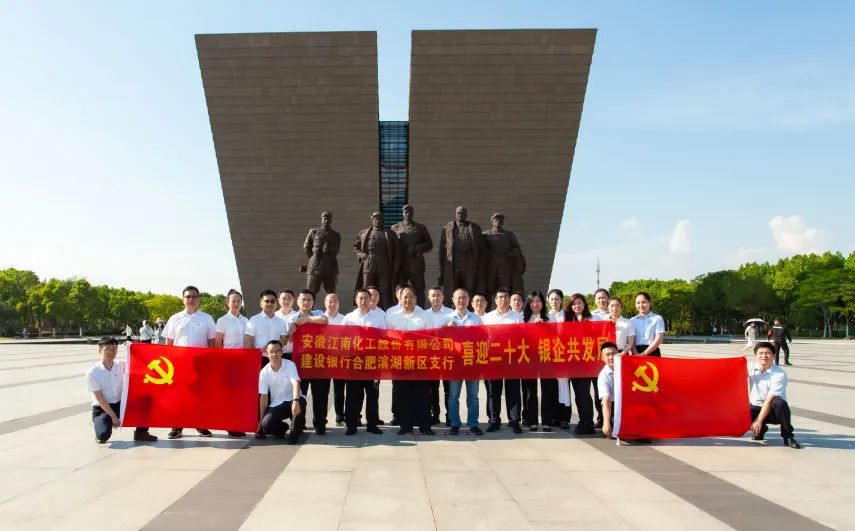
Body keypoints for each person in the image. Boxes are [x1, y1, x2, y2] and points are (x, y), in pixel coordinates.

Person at [162, 285, 217, 440]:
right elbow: (169, 342)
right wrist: (168, 362)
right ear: (183, 299)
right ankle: (177, 427)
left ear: (199, 299)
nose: (191, 299)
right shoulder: (175, 318)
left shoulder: (207, 318)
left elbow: (211, 342)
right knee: (179, 396)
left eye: (194, 296)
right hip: (179, 364)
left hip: (201, 364)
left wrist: (211, 361)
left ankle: (201, 424)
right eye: (188, 296)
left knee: (200, 396)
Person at [85, 337, 157, 443]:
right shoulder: (92, 373)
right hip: (102, 408)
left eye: (114, 348)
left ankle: (141, 433)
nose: (111, 352)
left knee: (145, 401)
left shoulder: (121, 365)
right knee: (103, 436)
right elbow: (100, 399)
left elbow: (139, 363)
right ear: (100, 349)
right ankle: (102, 426)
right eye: (108, 348)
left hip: (121, 404)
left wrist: (135, 347)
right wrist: (114, 417)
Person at [387, 287, 434, 435]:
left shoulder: (425, 315)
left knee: (422, 395)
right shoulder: (392, 317)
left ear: (416, 299)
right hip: (400, 363)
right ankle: (405, 426)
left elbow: (431, 337)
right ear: (400, 300)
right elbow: (387, 338)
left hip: (420, 363)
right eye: (405, 297)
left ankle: (424, 426)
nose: (408, 300)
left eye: (411, 297)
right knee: (402, 395)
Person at [284, 289, 329, 436]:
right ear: (297, 302)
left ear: (313, 302)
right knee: (300, 395)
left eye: (309, 299)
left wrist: (307, 320)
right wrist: (291, 332)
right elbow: (290, 340)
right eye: (303, 299)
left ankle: (320, 424)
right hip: (301, 363)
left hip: (319, 361)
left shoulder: (318, 313)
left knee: (321, 395)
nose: (306, 302)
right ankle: (299, 424)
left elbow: (325, 321)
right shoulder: (292, 318)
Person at [341, 289, 385, 436]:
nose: (363, 301)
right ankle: (351, 425)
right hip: (354, 363)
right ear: (355, 300)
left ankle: (372, 424)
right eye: (360, 298)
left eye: (366, 298)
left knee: (372, 394)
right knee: (353, 395)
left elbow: (384, 337)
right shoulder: (349, 318)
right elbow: (341, 339)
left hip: (373, 363)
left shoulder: (379, 317)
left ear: (370, 300)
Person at [482, 288, 524, 434]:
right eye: (500, 297)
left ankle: (514, 421)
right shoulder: (487, 318)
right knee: (494, 392)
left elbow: (522, 336)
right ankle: (494, 421)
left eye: (506, 297)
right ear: (495, 300)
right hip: (493, 359)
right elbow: (483, 337)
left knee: (513, 391)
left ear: (509, 299)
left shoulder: (517, 317)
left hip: (512, 358)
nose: (503, 299)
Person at [748, 342, 801, 449]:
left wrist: (759, 421)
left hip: (774, 411)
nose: (764, 356)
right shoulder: (750, 367)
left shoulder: (779, 374)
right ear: (756, 356)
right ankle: (761, 430)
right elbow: (731, 370)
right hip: (755, 408)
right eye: (760, 353)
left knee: (779, 403)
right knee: (741, 410)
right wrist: (738, 361)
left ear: (774, 356)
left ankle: (788, 436)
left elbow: (769, 400)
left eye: (767, 353)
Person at [445, 288, 484, 435]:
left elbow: (483, 339)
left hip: (471, 362)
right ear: (453, 300)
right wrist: (446, 328)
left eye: (464, 298)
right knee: (453, 396)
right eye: (458, 298)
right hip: (454, 363)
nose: (461, 300)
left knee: (473, 396)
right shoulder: (447, 318)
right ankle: (454, 423)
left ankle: (473, 423)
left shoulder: (476, 318)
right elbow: (439, 339)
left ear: (469, 300)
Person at [215, 289, 251, 437]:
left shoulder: (246, 320)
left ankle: (239, 423)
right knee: (230, 395)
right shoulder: (222, 320)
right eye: (233, 301)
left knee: (240, 394)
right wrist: (221, 359)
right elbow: (218, 341)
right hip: (229, 361)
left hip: (243, 361)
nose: (236, 303)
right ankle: (230, 424)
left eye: (238, 301)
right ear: (227, 302)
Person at [255, 340, 302, 442]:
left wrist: (296, 401)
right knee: (266, 425)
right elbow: (264, 397)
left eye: (277, 351)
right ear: (266, 353)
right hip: (277, 404)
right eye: (271, 351)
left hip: (292, 400)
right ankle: (283, 428)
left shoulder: (290, 365)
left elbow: (296, 383)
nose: (274, 354)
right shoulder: (264, 372)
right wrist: (260, 422)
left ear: (282, 352)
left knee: (301, 402)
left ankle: (296, 427)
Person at [564, 293, 596, 435]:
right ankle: (583, 419)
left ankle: (588, 422)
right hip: (572, 361)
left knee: (584, 392)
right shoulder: (567, 320)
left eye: (579, 303)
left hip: (586, 362)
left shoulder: (592, 319)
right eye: (574, 304)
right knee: (577, 393)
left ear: (584, 304)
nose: (577, 306)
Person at [439, 206, 484, 302]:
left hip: (469, 264)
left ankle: (469, 309)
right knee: (452, 290)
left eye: (462, 213)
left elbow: (481, 247)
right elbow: (442, 249)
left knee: (470, 289)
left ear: (466, 214)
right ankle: (451, 309)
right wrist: (442, 267)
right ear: (455, 214)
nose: (460, 215)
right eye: (458, 213)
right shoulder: (447, 228)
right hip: (453, 264)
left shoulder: (474, 228)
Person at [354, 211, 399, 309]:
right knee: (366, 288)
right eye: (375, 218)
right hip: (369, 263)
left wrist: (396, 264)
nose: (377, 220)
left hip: (384, 263)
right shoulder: (363, 233)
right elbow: (356, 247)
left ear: (383, 220)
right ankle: (365, 309)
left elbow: (397, 250)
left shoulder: (390, 234)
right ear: (372, 219)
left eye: (380, 218)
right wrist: (362, 255)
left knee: (385, 289)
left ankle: (386, 310)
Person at [391, 204, 433, 308]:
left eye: (410, 212)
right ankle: (399, 310)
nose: (408, 214)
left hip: (416, 263)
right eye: (405, 212)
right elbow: (391, 246)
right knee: (400, 289)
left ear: (413, 213)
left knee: (419, 288)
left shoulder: (420, 228)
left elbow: (429, 244)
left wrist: (417, 248)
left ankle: (420, 309)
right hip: (401, 264)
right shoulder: (395, 227)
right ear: (402, 213)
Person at [522, 291, 553, 431]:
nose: (535, 304)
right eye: (533, 301)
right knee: (530, 392)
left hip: (546, 357)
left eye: (538, 301)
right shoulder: (523, 318)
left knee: (547, 390)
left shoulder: (549, 318)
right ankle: (532, 420)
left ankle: (547, 421)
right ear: (529, 303)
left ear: (542, 303)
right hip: (528, 358)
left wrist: (544, 327)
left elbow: (557, 337)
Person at [424, 285, 454, 425]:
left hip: (447, 356)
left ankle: (450, 416)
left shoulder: (451, 313)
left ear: (443, 297)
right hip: (431, 357)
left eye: (438, 295)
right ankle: (434, 415)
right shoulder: (424, 314)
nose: (436, 298)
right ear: (429, 297)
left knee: (449, 389)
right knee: (432, 389)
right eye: (433, 295)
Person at [244, 290, 289, 367]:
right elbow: (249, 341)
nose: (270, 304)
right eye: (267, 301)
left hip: (276, 358)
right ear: (261, 303)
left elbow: (284, 340)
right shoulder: (254, 320)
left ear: (276, 303)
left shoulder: (281, 322)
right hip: (260, 358)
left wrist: (273, 349)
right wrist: (255, 355)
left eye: (272, 301)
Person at [303, 211, 341, 298]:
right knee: (311, 292)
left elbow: (336, 250)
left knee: (331, 293)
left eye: (328, 218)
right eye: (325, 218)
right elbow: (306, 247)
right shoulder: (313, 232)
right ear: (322, 220)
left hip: (330, 267)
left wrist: (329, 252)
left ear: (331, 220)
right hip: (315, 267)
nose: (327, 220)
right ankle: (309, 307)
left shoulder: (336, 235)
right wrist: (313, 258)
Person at [547, 288, 571, 429]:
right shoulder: (545, 316)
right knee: (551, 387)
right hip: (549, 356)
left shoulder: (567, 316)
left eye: (557, 299)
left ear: (561, 300)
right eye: (552, 299)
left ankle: (564, 417)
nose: (554, 301)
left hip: (565, 355)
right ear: (548, 300)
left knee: (564, 387)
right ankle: (554, 417)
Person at [324, 293, 348, 426]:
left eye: (335, 301)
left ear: (339, 304)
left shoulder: (345, 319)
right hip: (323, 359)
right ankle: (321, 418)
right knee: (322, 390)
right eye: (330, 301)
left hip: (340, 359)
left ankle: (340, 416)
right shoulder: (319, 319)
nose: (332, 304)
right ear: (325, 303)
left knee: (339, 390)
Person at [630, 292, 665, 357]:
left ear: (650, 303)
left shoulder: (657, 318)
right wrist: (635, 353)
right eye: (638, 303)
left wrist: (644, 354)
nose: (641, 305)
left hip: (653, 352)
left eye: (644, 302)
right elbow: (631, 341)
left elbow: (659, 339)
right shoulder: (632, 321)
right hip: (636, 353)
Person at [597, 341, 619, 439]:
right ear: (603, 357)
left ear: (618, 354)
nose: (611, 357)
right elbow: (606, 400)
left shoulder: (628, 368)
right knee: (611, 430)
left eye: (613, 354)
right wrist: (606, 423)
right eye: (607, 355)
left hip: (628, 403)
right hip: (613, 405)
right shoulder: (603, 376)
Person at [276, 290, 297, 360]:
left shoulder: (298, 316)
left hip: (295, 354)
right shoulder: (274, 316)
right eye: (284, 298)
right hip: (278, 355)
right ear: (279, 300)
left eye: (289, 298)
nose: (286, 301)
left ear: (293, 300)